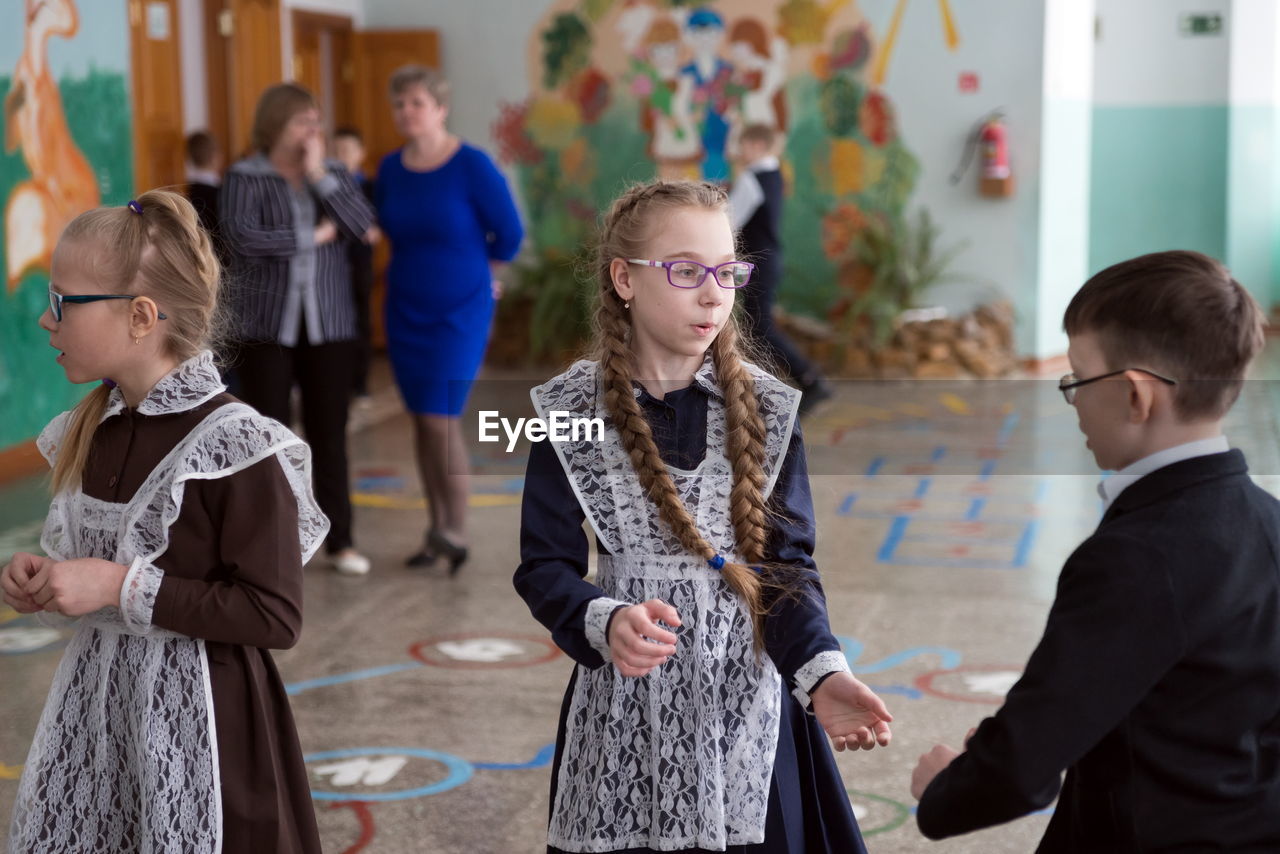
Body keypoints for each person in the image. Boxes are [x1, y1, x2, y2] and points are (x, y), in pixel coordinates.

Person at [514, 180, 893, 853]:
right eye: (687, 271)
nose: (714, 293)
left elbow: (787, 568)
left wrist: (823, 673)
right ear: (624, 279)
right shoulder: (569, 411)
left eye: (726, 272)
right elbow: (544, 564)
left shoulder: (770, 411)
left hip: (748, 708)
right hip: (626, 710)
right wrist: (603, 619)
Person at [910, 250, 1280, 851]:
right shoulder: (1268, 523)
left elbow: (1022, 770)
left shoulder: (1134, 557)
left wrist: (948, 788)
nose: (1074, 399)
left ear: (1136, 396)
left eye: (1077, 378)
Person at [1, 190, 327, 853]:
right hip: (101, 726)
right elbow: (96, 580)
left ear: (142, 317)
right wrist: (54, 583)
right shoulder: (91, 431)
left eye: (64, 302)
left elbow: (274, 614)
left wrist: (117, 587)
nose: (46, 319)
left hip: (204, 737)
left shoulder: (234, 446)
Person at [220, 83, 376, 576]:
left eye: (315, 121)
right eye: (301, 122)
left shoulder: (332, 173)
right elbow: (241, 239)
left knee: (329, 435)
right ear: (274, 126)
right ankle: (271, 544)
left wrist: (316, 176)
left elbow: (361, 226)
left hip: (328, 325)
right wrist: (310, 238)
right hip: (266, 327)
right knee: (267, 436)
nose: (313, 131)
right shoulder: (244, 176)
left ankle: (340, 540)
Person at [375, 65, 523, 572]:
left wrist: (487, 277)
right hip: (404, 307)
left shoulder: (472, 165)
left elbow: (510, 233)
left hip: (459, 310)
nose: (406, 112)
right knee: (421, 421)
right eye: (399, 104)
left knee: (440, 420)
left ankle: (456, 531)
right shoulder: (390, 168)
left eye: (416, 102)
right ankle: (436, 528)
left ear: (440, 108)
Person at [727, 124, 830, 413]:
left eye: (744, 144)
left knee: (759, 328)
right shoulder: (773, 176)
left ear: (758, 145)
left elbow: (727, 222)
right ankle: (764, 390)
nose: (740, 151)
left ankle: (808, 379)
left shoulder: (753, 178)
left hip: (757, 261)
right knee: (753, 327)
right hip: (766, 260)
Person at [332, 125, 377, 402]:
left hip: (359, 265)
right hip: (332, 268)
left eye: (347, 151)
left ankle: (360, 384)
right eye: (336, 151)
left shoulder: (369, 186)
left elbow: (372, 226)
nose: (341, 157)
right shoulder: (326, 187)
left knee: (361, 323)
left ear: (360, 153)